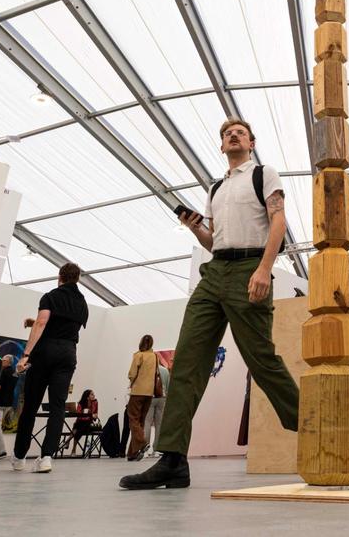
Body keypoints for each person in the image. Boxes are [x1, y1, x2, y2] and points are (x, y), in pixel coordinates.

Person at [120, 118, 298, 490]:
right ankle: (172, 459)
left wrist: (265, 268)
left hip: (250, 266)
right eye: (227, 134)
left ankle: (314, 426)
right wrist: (194, 226)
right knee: (186, 360)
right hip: (215, 271)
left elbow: (278, 221)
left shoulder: (263, 174)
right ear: (221, 146)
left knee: (260, 358)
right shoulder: (216, 188)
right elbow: (212, 240)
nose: (233, 135)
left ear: (251, 143)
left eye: (240, 132)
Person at [12, 262, 89, 474]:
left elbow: (43, 322)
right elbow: (63, 324)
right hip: (68, 353)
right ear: (77, 278)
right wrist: (34, 322)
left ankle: (19, 456)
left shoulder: (51, 296)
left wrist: (26, 355)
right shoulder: (82, 302)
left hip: (45, 352)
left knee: (31, 406)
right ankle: (46, 457)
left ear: (60, 277)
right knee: (57, 407)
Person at [126, 335, 158, 461]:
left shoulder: (138, 355)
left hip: (137, 391)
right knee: (140, 422)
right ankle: (132, 453)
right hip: (149, 393)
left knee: (133, 419)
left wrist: (131, 381)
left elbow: (132, 374)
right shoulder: (154, 356)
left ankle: (143, 443)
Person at [143, 356, 171, 458]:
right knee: (159, 424)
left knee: (147, 423)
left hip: (150, 398)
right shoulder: (165, 371)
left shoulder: (147, 370)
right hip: (162, 398)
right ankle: (157, 449)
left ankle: (145, 449)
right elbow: (168, 386)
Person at [70, 389, 99, 456]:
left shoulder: (95, 402)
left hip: (89, 424)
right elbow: (78, 415)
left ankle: (69, 444)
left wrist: (92, 414)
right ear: (87, 396)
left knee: (78, 427)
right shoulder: (81, 404)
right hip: (81, 423)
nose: (94, 395)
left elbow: (96, 414)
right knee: (79, 427)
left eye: (93, 394)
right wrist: (84, 413)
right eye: (92, 394)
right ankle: (72, 449)